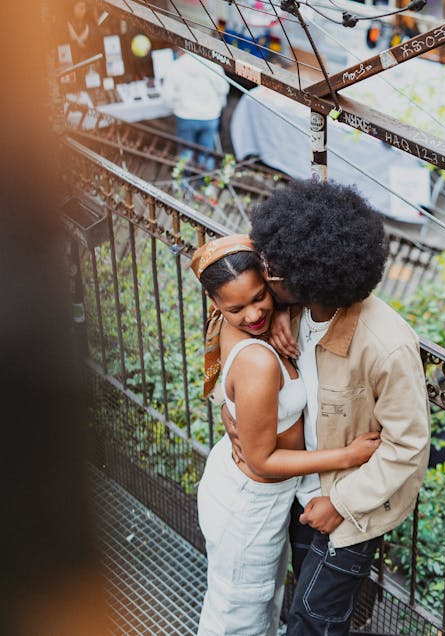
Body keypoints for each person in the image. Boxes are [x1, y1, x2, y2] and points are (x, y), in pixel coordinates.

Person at [223, 180, 431, 635]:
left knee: (312, 623)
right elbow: (231, 349)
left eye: (274, 268)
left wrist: (339, 502)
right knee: (306, 610)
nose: (266, 272)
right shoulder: (291, 311)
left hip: (349, 511)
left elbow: (409, 446)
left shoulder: (386, 347)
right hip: (298, 492)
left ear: (308, 274)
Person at [190, 234, 381, 636]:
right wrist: (347, 456)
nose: (253, 314)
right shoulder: (258, 360)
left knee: (255, 604)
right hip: (249, 507)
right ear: (216, 305)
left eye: (260, 297)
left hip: (253, 494)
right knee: (237, 618)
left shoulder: (246, 327)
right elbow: (262, 459)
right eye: (236, 308)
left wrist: (282, 311)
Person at [162, 51, 229, 173]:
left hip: (185, 116)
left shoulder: (176, 66)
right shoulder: (212, 65)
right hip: (209, 116)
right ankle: (207, 187)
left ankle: (183, 186)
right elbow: (224, 89)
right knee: (206, 154)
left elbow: (167, 97)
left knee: (185, 154)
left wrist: (177, 107)